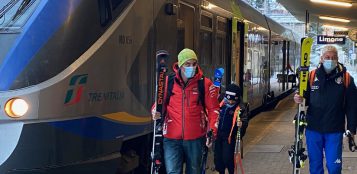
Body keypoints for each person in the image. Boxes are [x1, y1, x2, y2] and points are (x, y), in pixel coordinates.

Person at [152, 48, 220, 174]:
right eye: (188, 64)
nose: (192, 67)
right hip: (171, 138)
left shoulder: (204, 83)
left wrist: (212, 131)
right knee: (173, 172)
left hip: (195, 138)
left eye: (194, 64)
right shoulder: (168, 82)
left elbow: (213, 109)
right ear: (180, 65)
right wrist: (155, 111)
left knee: (194, 171)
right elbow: (159, 103)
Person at [293, 45, 357, 174]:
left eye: (333, 57)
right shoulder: (311, 76)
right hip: (313, 130)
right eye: (327, 57)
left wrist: (352, 129)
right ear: (321, 59)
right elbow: (303, 96)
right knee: (315, 166)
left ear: (337, 59)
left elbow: (352, 106)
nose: (330, 60)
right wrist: (298, 97)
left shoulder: (346, 78)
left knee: (334, 167)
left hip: (334, 130)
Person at [214, 84, 249, 174]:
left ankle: (231, 172)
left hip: (229, 138)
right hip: (218, 136)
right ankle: (221, 172)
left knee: (228, 158)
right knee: (218, 160)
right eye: (228, 99)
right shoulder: (221, 102)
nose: (230, 102)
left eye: (233, 100)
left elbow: (245, 121)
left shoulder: (240, 107)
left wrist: (241, 125)